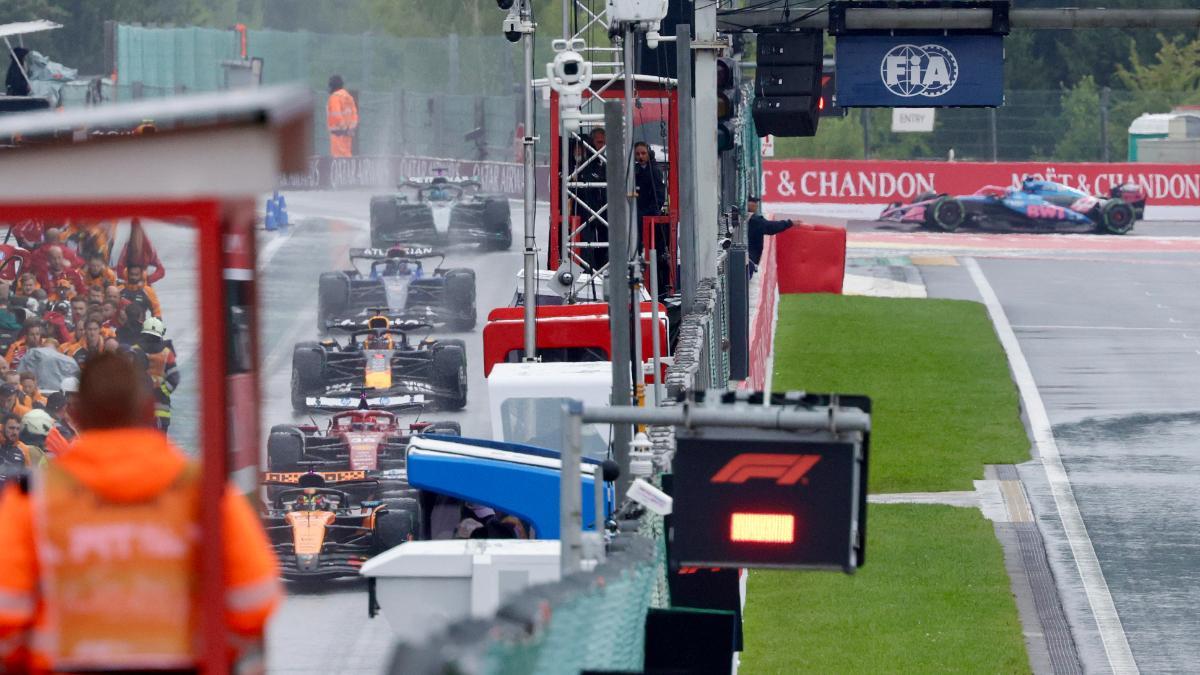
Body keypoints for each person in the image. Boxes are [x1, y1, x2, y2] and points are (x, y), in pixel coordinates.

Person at [0, 352, 281, 672]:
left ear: (77, 415)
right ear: (148, 410)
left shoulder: (32, 500)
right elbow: (255, 599)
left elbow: (6, 616)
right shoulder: (204, 493)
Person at [633, 141, 669, 295]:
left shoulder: (654, 171)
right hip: (636, 215)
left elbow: (659, 196)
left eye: (643, 153)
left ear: (649, 154)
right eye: (638, 154)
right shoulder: (634, 171)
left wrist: (650, 212)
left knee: (651, 251)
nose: (640, 157)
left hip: (648, 216)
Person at [131, 317, 179, 432]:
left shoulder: (133, 351)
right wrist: (162, 390)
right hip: (161, 408)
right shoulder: (167, 353)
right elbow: (174, 379)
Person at [575, 126, 609, 271]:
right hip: (586, 210)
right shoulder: (584, 163)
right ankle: (588, 272)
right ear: (591, 142)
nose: (602, 146)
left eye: (604, 143)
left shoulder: (607, 163)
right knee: (586, 246)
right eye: (599, 142)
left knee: (605, 245)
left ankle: (602, 270)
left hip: (605, 211)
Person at [746, 196, 794, 273]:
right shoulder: (754, 220)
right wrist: (789, 223)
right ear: (746, 203)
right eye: (753, 202)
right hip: (748, 260)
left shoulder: (749, 218)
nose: (756, 205)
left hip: (748, 259)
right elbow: (770, 227)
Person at [116, 218, 165, 285]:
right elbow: (119, 270)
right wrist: (130, 279)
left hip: (144, 283)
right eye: (135, 233)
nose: (137, 239)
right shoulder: (127, 248)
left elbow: (161, 270)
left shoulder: (149, 250)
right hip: (129, 282)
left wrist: (148, 279)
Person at [326, 74, 359, 158]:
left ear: (332, 85)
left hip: (338, 133)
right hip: (348, 133)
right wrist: (351, 128)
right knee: (347, 154)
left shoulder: (334, 97)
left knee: (338, 156)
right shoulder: (349, 97)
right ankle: (349, 167)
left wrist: (342, 127)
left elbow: (336, 114)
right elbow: (354, 114)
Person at [0, 413, 31, 481]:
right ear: (2, 428)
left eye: (18, 429)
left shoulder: (23, 450)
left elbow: (26, 479)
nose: (15, 432)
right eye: (11, 428)